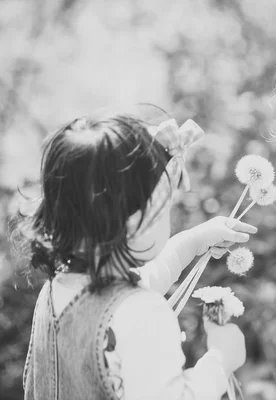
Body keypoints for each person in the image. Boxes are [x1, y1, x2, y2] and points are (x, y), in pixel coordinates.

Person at [10, 112, 254, 399]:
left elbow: (139, 283)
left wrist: (194, 240)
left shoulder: (58, 289)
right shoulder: (144, 313)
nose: (169, 218)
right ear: (132, 221)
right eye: (164, 210)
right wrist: (220, 362)